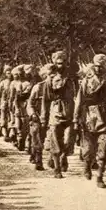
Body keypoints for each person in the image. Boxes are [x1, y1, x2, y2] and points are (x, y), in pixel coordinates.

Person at [74, 57, 106, 188]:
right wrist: (76, 119)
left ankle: (100, 176)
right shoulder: (86, 81)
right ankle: (87, 164)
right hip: (89, 117)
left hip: (104, 118)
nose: (99, 68)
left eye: (102, 66)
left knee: (103, 150)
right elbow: (79, 100)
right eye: (97, 66)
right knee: (88, 149)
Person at [41, 51, 77, 179]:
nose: (61, 65)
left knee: (68, 140)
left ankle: (63, 157)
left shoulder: (72, 77)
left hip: (70, 110)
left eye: (63, 62)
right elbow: (45, 100)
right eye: (58, 63)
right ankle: (57, 168)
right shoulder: (49, 79)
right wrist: (43, 118)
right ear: (55, 63)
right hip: (55, 110)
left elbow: (78, 95)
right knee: (55, 140)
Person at [27, 64, 54, 170]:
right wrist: (33, 114)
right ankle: (38, 160)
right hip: (38, 117)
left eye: (54, 75)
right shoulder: (38, 87)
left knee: (54, 138)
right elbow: (30, 103)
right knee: (38, 138)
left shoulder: (59, 87)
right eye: (50, 75)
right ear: (45, 75)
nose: (52, 77)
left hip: (53, 117)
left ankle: (52, 158)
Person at [0, 65, 13, 142]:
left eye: (10, 73)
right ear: (5, 74)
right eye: (7, 73)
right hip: (4, 102)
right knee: (3, 117)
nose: (9, 74)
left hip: (12, 103)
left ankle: (10, 133)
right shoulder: (3, 83)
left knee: (11, 118)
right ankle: (6, 134)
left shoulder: (14, 82)